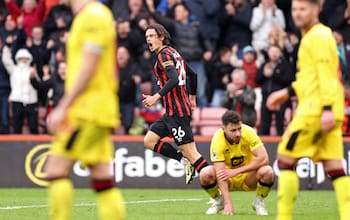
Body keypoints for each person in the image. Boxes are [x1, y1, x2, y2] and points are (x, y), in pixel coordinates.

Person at [266, 1, 350, 220]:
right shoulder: (313, 36)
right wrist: (287, 92)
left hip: (316, 111)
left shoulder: (319, 37)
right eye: (295, 9)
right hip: (325, 108)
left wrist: (327, 109)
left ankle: (283, 217)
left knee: (285, 159)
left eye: (303, 9)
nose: (298, 13)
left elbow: (328, 76)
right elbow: (310, 78)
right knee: (335, 167)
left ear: (316, 9)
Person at [44, 1, 125, 220]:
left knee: (55, 169)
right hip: (95, 109)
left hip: (87, 111)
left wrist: (63, 107)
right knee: (102, 178)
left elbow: (89, 66)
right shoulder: (90, 16)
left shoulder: (93, 16)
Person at [142, 23, 218, 204]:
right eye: (146, 37)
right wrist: (192, 97)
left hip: (177, 112)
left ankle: (218, 195)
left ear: (161, 36)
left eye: (151, 36)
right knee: (149, 141)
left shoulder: (163, 55)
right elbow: (193, 75)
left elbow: (174, 79)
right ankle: (182, 161)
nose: (148, 40)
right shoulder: (174, 53)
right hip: (171, 112)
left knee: (193, 154)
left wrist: (156, 97)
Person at [206, 110, 274, 216]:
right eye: (233, 130)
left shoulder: (249, 132)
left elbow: (264, 158)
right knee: (206, 173)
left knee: (268, 171)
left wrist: (236, 171)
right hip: (228, 179)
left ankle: (258, 202)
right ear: (223, 129)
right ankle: (220, 202)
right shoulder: (217, 139)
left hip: (248, 177)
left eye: (239, 129)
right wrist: (228, 203)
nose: (238, 133)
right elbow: (220, 174)